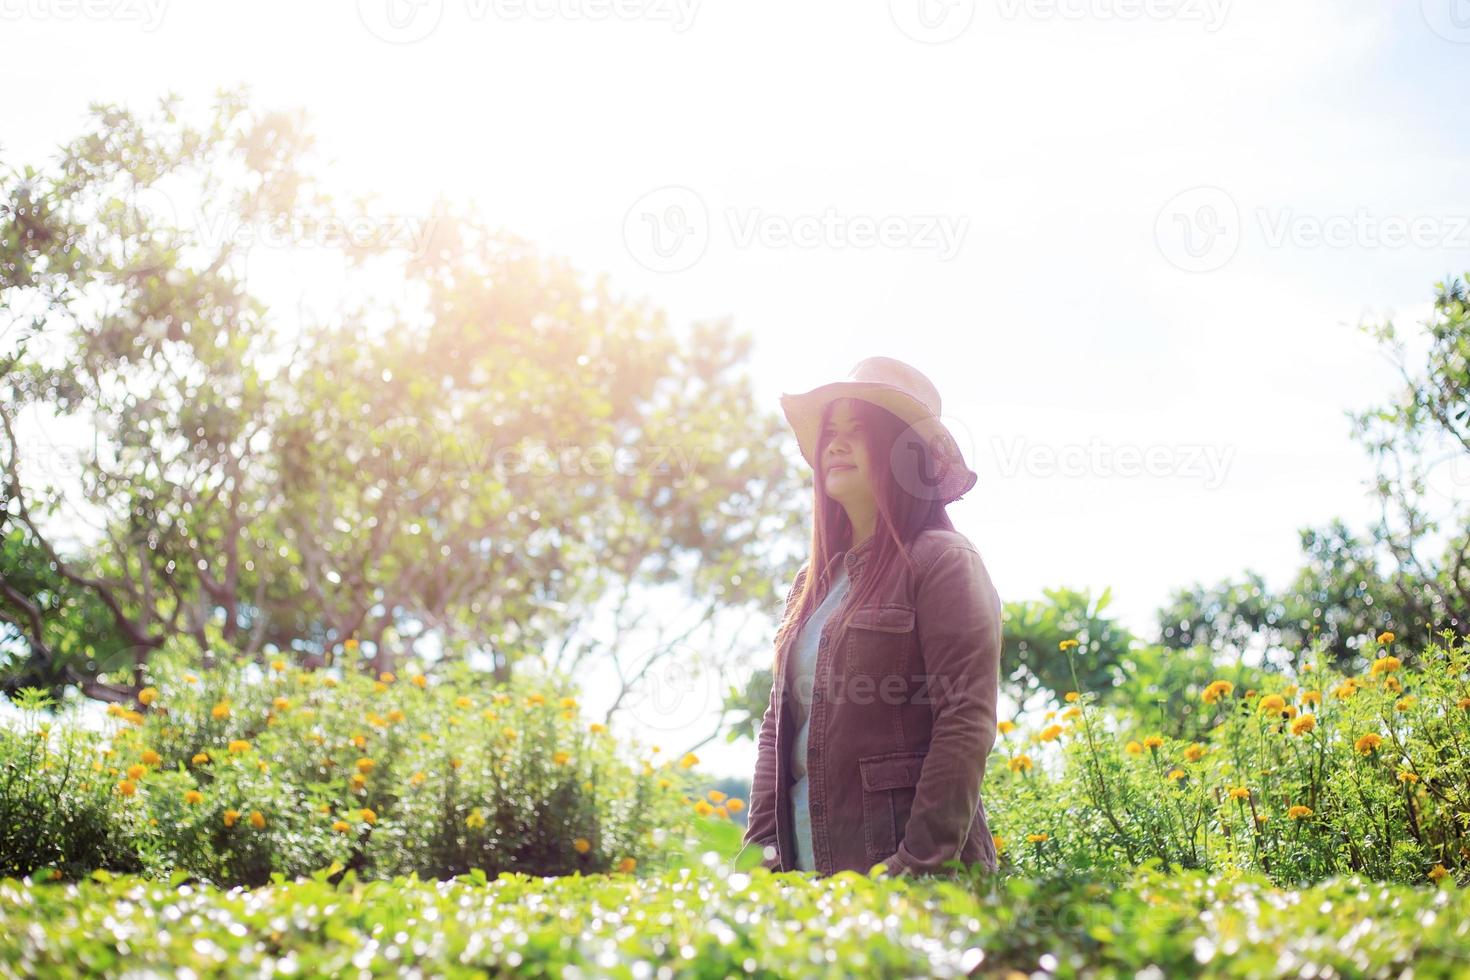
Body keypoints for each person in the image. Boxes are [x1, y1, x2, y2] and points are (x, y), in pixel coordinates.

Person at [737, 356, 1003, 878]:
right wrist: (761, 853)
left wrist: (916, 867)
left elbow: (965, 721)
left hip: (911, 881)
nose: (834, 445)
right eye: (830, 433)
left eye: (856, 432)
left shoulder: (944, 562)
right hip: (805, 876)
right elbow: (777, 726)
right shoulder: (810, 585)